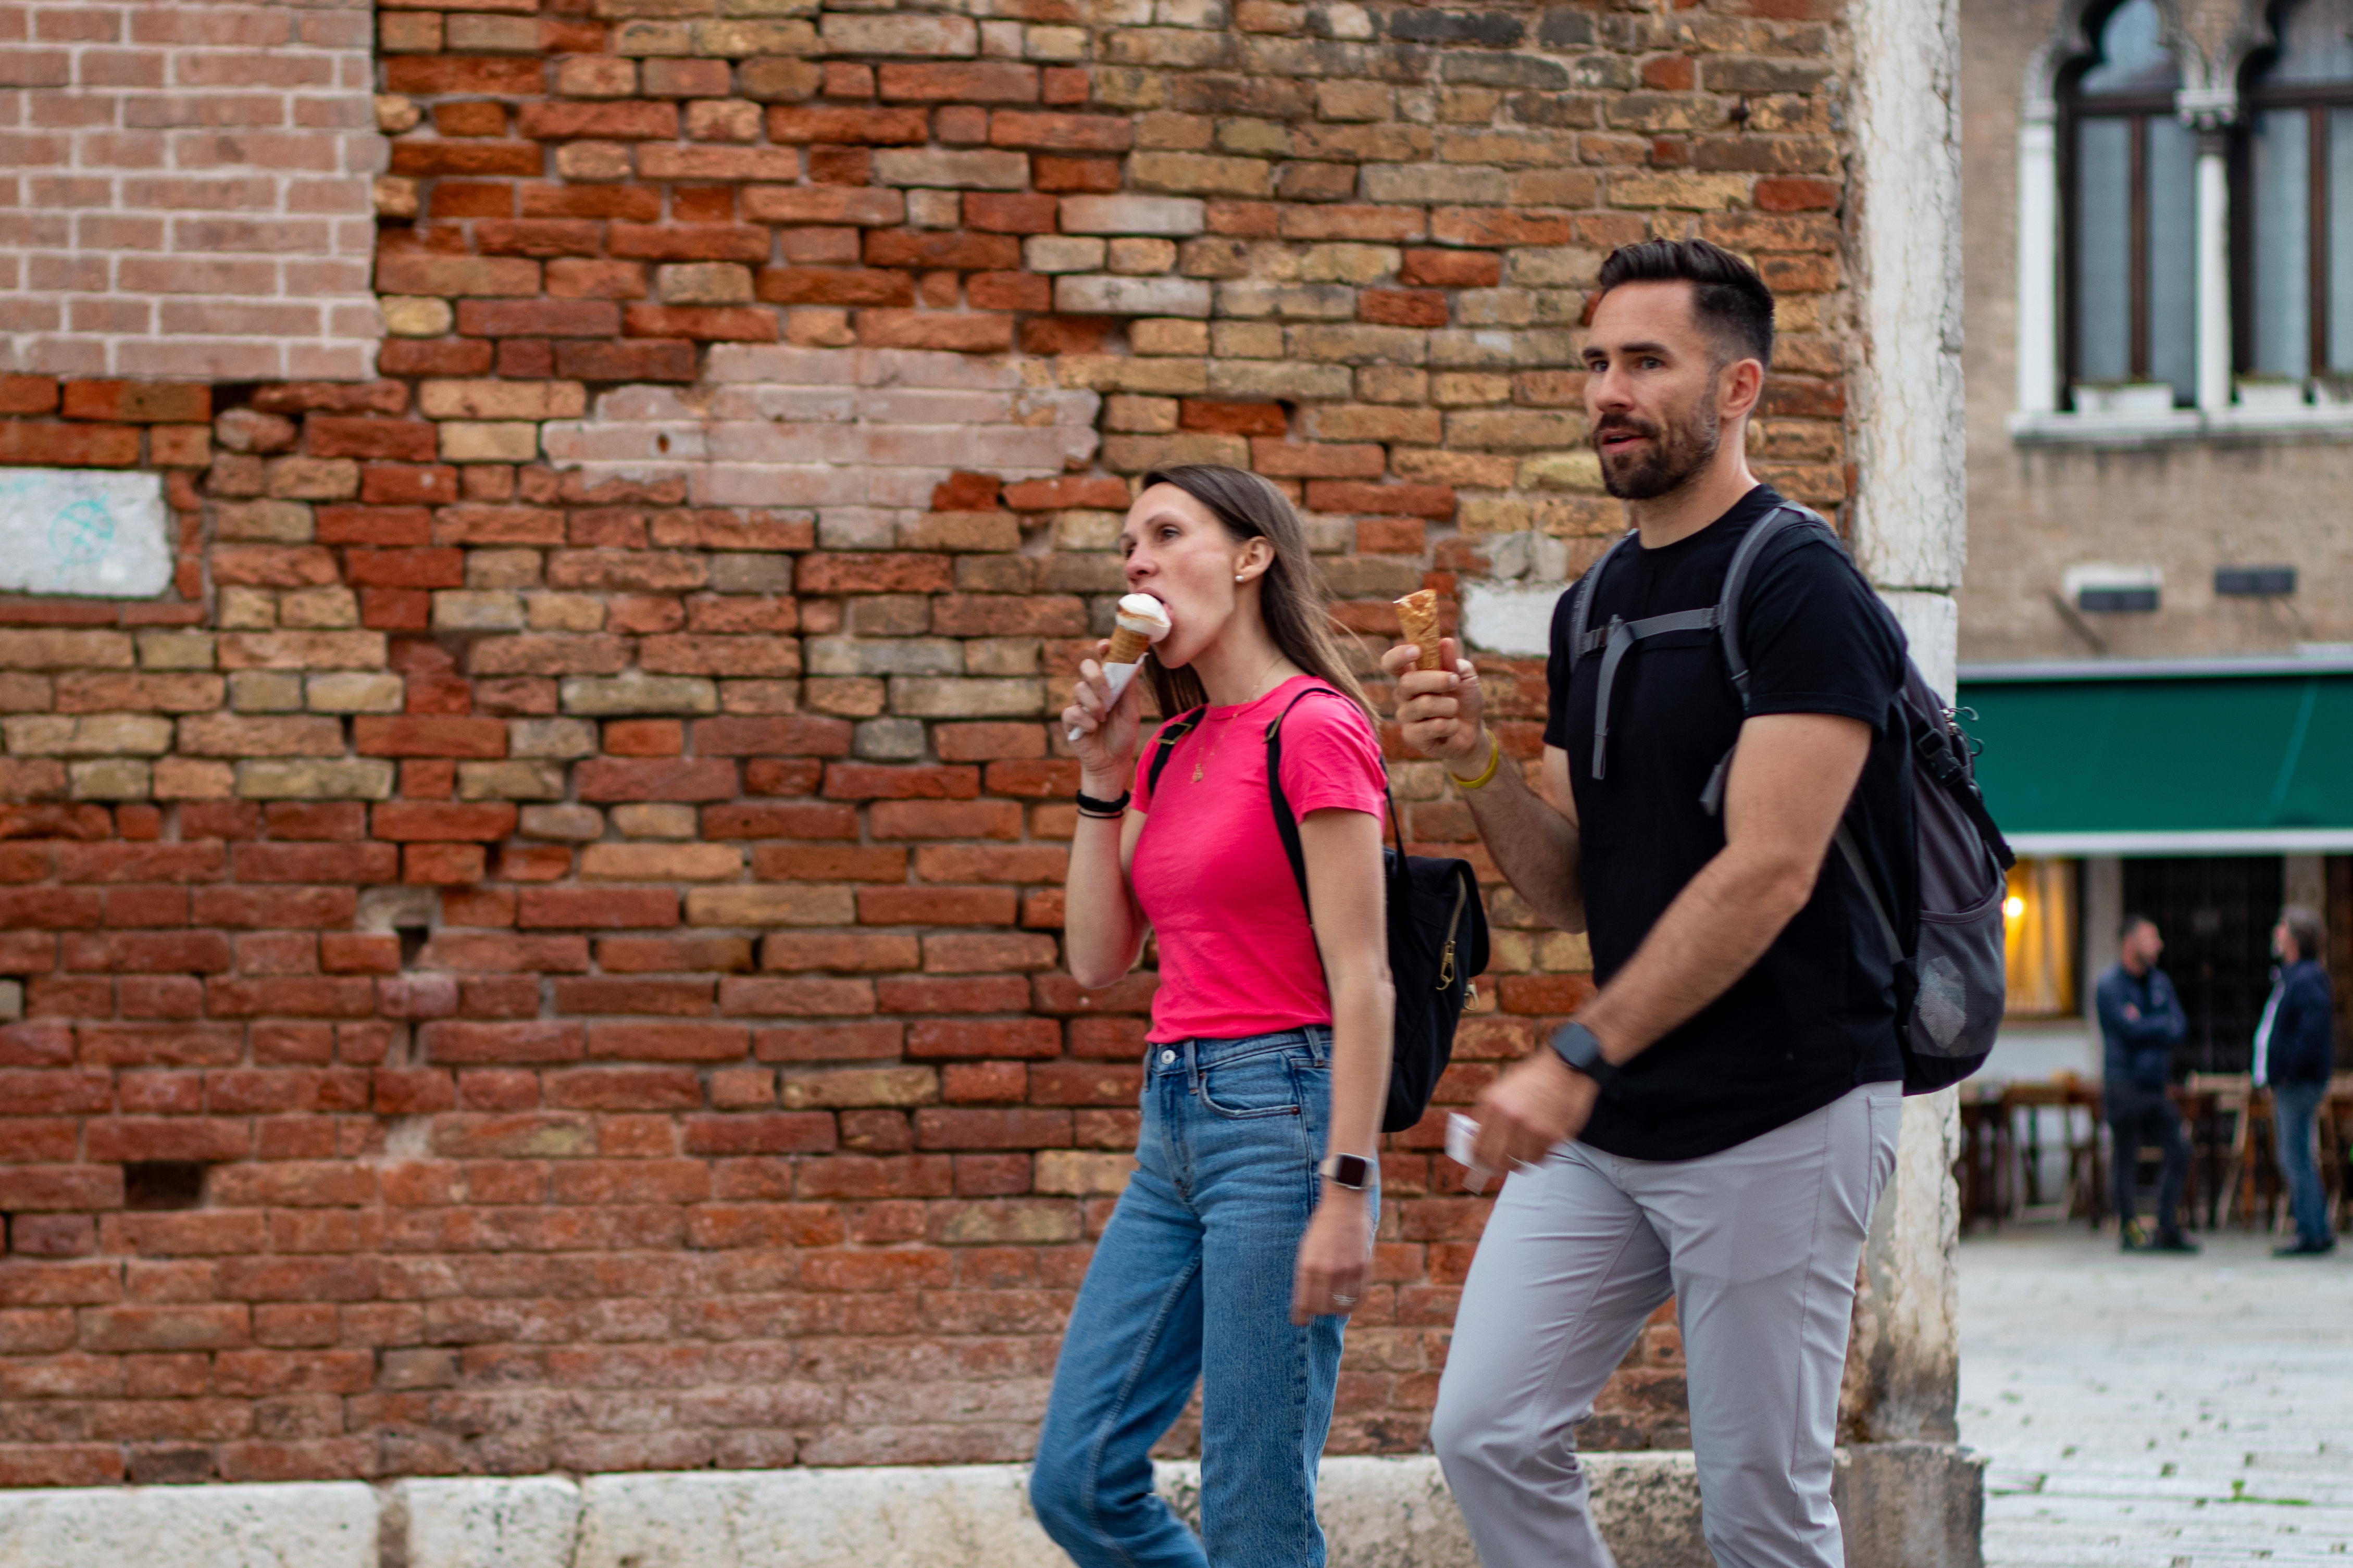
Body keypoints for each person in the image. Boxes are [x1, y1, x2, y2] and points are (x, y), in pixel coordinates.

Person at [1387, 237, 1911, 1568]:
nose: (1607, 391)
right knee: (1488, 1429)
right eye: (1594, 363)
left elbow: (1770, 868)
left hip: (1783, 1107)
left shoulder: (1799, 584)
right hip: (1625, 1111)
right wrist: (1475, 762)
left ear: (1737, 388)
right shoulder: (1591, 607)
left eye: (1644, 361)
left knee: (1760, 1513)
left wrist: (1574, 1053)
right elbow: (1568, 880)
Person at [1029, 464, 1396, 1567]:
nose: (1134, 559)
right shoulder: (1174, 748)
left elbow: (1364, 973)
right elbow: (1097, 959)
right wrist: (1102, 772)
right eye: (1126, 541)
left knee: (1253, 1501)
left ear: (1249, 557)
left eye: (1163, 531)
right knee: (1079, 1477)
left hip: (1282, 1120)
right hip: (1171, 1125)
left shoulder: (1314, 725)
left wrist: (1344, 1182)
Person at [2094, 915, 2197, 1253]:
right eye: (2150, 938)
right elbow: (2126, 1030)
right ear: (2129, 942)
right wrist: (2157, 1025)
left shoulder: (2159, 981)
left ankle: (2165, 1226)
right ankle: (2129, 1229)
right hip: (2123, 1084)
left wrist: (2145, 1023)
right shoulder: (2108, 985)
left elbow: (2178, 1026)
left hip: (2154, 1085)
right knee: (2125, 1156)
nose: (2158, 945)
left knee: (2179, 1150)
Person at [2255, 905, 2336, 1256]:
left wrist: (2286, 1069)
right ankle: (2313, 1228)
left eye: (2281, 927)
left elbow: (2310, 1032)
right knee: (2295, 1154)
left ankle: (2311, 1231)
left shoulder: (2305, 978)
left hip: (2297, 1081)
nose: (2276, 932)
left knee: (2294, 1155)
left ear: (2295, 937)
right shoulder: (2292, 975)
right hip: (2292, 1079)